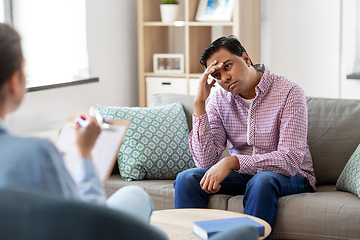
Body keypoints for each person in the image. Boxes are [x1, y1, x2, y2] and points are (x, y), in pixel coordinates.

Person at [0, 22, 158, 228]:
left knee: (132, 196)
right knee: (136, 196)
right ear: (14, 81)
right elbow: (88, 223)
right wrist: (85, 153)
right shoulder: (36, 154)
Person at [174, 35, 316, 237]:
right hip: (245, 174)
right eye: (216, 75)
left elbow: (290, 159)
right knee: (187, 179)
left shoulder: (289, 93)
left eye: (228, 66)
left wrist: (233, 162)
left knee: (262, 181)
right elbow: (205, 161)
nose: (224, 78)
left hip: (292, 176)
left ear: (246, 58)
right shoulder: (219, 100)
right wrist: (199, 104)